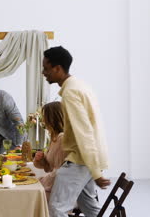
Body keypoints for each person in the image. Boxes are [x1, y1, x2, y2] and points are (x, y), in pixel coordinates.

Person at [42, 46, 110, 217]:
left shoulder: (70, 92)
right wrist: (94, 168)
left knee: (57, 209)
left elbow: (85, 133)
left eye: (46, 68)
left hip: (80, 160)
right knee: (90, 209)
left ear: (58, 68)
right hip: (88, 159)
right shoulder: (80, 85)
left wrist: (95, 172)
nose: (44, 72)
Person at [33, 101, 67, 201]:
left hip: (61, 194)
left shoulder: (62, 139)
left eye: (45, 117)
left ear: (52, 119)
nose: (43, 121)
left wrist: (40, 182)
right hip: (54, 187)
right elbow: (49, 168)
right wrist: (42, 159)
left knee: (28, 197)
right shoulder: (54, 138)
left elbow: (62, 172)